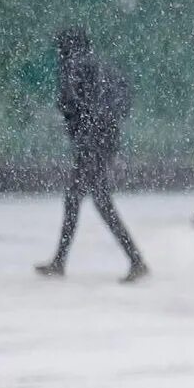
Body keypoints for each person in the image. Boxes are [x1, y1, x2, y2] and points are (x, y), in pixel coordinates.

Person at [38, 26, 148, 282]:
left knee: (86, 200)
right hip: (104, 140)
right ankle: (62, 260)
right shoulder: (101, 66)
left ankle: (135, 260)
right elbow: (121, 99)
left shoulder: (74, 67)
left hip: (90, 143)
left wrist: (83, 129)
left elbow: (70, 104)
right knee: (87, 200)